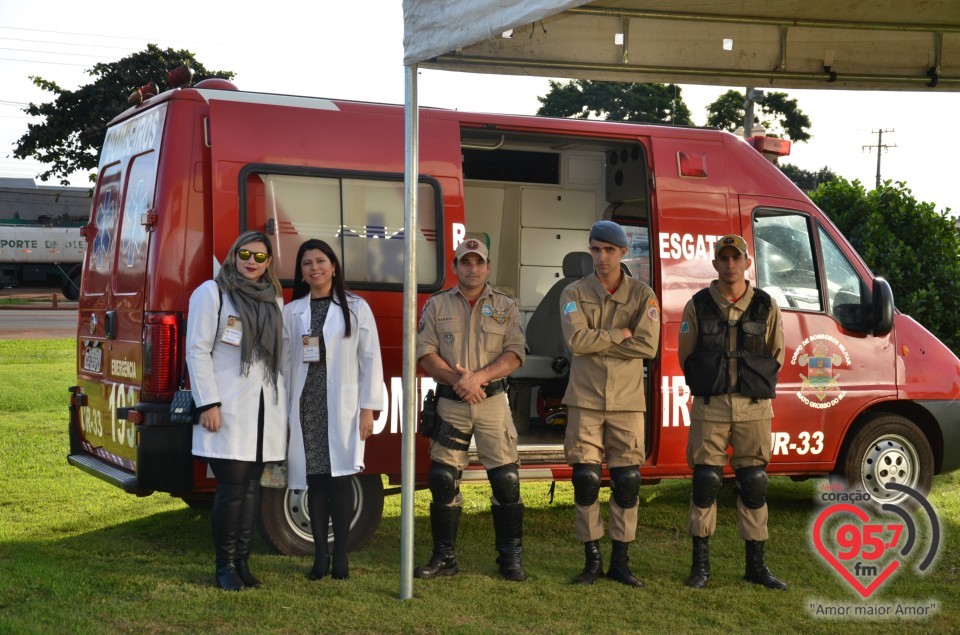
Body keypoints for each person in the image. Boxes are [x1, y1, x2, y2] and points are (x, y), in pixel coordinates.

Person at [414, 238, 528, 581]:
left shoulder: (506, 306)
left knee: (506, 481)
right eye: (466, 262)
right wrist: (459, 380)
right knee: (443, 479)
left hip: (492, 402)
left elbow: (515, 353)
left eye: (479, 262)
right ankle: (445, 559)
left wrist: (479, 378)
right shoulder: (436, 305)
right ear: (455, 267)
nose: (472, 268)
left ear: (488, 268)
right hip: (451, 403)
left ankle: (509, 560)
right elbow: (425, 354)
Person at [678, 234, 787, 590]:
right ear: (715, 264)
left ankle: (756, 565)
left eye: (735, 258)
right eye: (723, 259)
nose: (729, 264)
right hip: (711, 406)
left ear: (746, 263)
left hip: (754, 407)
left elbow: (777, 354)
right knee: (705, 481)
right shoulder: (697, 305)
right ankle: (700, 567)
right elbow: (686, 356)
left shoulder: (766, 305)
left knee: (754, 482)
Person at [559, 220, 661, 588]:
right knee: (585, 479)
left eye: (608, 250)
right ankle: (592, 560)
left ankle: (621, 560)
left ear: (622, 252)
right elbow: (576, 342)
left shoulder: (642, 295)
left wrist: (596, 340)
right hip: (585, 400)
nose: (601, 257)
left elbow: (648, 346)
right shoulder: (572, 292)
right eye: (595, 249)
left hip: (628, 403)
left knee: (627, 481)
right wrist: (620, 334)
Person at [186, 230, 287, 591]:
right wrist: (208, 403)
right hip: (226, 408)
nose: (251, 262)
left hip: (263, 410)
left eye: (260, 258)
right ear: (234, 253)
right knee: (231, 487)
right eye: (246, 254)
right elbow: (197, 351)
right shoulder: (211, 293)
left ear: (269, 263)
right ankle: (224, 566)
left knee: (251, 489)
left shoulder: (273, 298)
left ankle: (243, 563)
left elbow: (282, 356)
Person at [283, 239, 384, 581]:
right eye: (307, 263)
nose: (315, 268)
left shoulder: (356, 307)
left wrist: (369, 409)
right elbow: (285, 364)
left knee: (340, 481)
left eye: (321, 261)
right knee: (314, 481)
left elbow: (371, 360)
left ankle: (340, 554)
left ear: (334, 266)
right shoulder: (292, 311)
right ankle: (320, 555)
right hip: (306, 406)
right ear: (301, 272)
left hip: (342, 407)